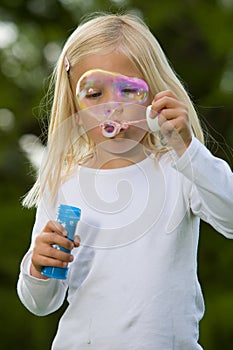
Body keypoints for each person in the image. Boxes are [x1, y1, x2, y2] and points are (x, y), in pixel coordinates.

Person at [17, 13, 233, 350]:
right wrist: (38, 267)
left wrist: (188, 149)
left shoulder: (178, 168)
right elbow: (42, 304)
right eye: (94, 94)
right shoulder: (63, 183)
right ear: (74, 102)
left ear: (154, 97)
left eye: (129, 91)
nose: (111, 108)